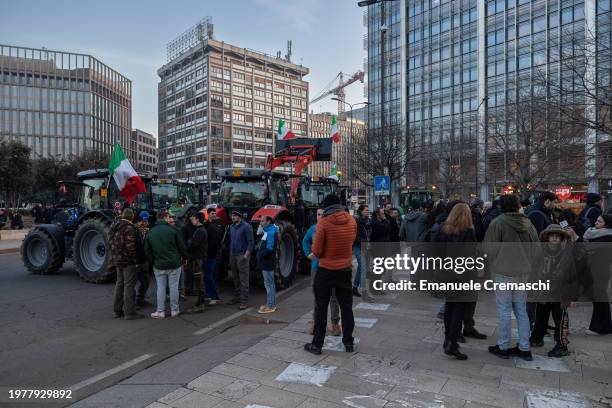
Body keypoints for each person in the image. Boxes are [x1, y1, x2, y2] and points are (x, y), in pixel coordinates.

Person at [485, 194, 539, 361]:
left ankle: (503, 346)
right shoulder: (528, 223)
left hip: (503, 272)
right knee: (521, 310)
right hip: (523, 272)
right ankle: (524, 347)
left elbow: (490, 249)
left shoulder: (498, 223)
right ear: (517, 206)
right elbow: (536, 249)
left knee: (504, 310)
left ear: (501, 206)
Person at [304, 194, 357, 355]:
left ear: (326, 207)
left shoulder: (324, 223)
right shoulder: (352, 221)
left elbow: (317, 251)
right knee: (346, 307)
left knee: (321, 308)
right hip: (345, 270)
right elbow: (352, 242)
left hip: (326, 270)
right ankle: (348, 342)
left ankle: (317, 345)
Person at [432, 203, 477, 360]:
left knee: (450, 306)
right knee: (458, 309)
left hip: (445, 274)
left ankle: (447, 340)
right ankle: (452, 343)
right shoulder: (468, 232)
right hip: (461, 275)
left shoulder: (443, 229)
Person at [530, 224, 580, 357]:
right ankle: (536, 338)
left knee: (560, 319)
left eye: (557, 236)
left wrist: (573, 296)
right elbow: (534, 271)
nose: (554, 239)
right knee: (541, 316)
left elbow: (572, 275)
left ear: (561, 238)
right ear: (547, 237)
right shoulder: (540, 252)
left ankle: (562, 345)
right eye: (552, 236)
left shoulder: (566, 254)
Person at [303, 208, 341, 336]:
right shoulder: (313, 229)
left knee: (334, 297)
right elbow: (305, 241)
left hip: (332, 267)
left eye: (323, 214)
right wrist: (308, 253)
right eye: (318, 215)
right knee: (318, 297)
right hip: (317, 268)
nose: (320, 217)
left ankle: (335, 323)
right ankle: (316, 323)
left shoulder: (333, 228)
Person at [145, 209, 188, 319]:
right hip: (174, 263)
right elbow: (181, 246)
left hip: (159, 264)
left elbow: (147, 249)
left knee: (160, 287)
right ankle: (174, 310)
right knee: (173, 287)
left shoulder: (151, 232)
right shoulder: (173, 230)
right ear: (165, 217)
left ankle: (160, 311)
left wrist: (153, 261)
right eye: (169, 217)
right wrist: (185, 258)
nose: (170, 219)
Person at [109, 208, 145, 320]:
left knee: (119, 284)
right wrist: (136, 261)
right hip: (128, 262)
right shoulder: (129, 228)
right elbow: (131, 248)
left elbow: (110, 242)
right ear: (131, 217)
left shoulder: (114, 227)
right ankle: (129, 312)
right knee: (129, 286)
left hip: (117, 260)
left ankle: (117, 311)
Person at [583, 214, 612, 335]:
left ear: (606, 224)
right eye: (596, 220)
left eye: (599, 221)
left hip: (600, 269)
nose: (595, 223)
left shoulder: (607, 236)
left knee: (600, 298)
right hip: (596, 268)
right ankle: (598, 326)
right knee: (598, 298)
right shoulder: (598, 234)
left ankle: (604, 327)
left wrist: (575, 238)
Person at [228, 210, 254, 310]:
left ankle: (244, 300)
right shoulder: (231, 227)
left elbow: (250, 242)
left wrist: (246, 255)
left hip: (242, 255)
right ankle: (237, 296)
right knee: (235, 277)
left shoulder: (246, 227)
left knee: (243, 278)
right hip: (233, 254)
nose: (232, 217)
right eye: (232, 216)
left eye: (234, 216)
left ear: (239, 217)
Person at [186, 212, 208, 313]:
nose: (191, 220)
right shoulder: (200, 230)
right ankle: (199, 302)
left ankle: (200, 304)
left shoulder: (200, 231)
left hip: (198, 259)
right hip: (199, 258)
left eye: (193, 219)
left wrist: (189, 241)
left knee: (199, 281)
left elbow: (192, 243)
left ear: (198, 219)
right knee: (198, 281)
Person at [256, 216, 278, 314]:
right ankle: (270, 303)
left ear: (268, 221)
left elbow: (269, 249)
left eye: (262, 221)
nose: (261, 223)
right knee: (270, 284)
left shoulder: (270, 233)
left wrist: (259, 255)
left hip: (267, 262)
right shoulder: (268, 231)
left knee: (269, 284)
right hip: (267, 262)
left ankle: (271, 306)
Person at [204, 208, 223, 305]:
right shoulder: (206, 223)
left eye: (215, 213)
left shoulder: (218, 223)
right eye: (212, 213)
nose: (214, 215)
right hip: (207, 253)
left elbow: (217, 236)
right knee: (207, 275)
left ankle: (215, 295)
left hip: (214, 252)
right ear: (208, 214)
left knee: (212, 274)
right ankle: (208, 294)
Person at [352, 204, 371, 297]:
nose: (368, 212)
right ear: (361, 211)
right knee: (363, 267)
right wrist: (365, 241)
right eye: (366, 210)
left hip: (363, 246)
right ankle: (364, 291)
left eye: (368, 210)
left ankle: (354, 287)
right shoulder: (357, 221)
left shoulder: (365, 221)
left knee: (361, 267)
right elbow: (355, 237)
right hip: (357, 246)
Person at [135, 211, 152, 307]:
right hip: (138, 260)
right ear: (142, 220)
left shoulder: (145, 230)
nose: (147, 221)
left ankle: (140, 300)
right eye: (146, 220)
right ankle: (135, 302)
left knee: (145, 280)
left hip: (143, 260)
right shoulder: (138, 230)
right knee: (136, 281)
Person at [181, 212, 197, 297]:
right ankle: (188, 289)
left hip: (192, 252)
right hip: (189, 253)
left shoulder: (193, 227)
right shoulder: (186, 228)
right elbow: (184, 241)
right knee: (189, 272)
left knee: (191, 272)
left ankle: (190, 288)